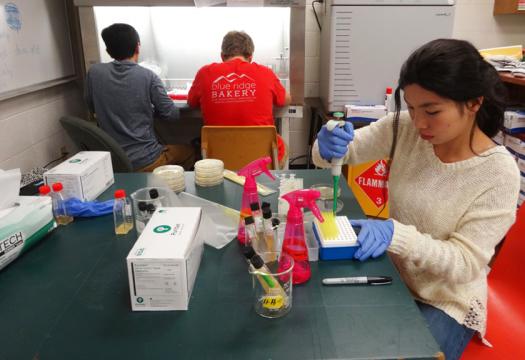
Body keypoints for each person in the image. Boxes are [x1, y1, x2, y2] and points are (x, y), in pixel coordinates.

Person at [313, 39, 520, 360]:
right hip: (392, 276)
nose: (419, 121)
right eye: (411, 107)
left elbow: (464, 265)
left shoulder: (498, 174)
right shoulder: (406, 128)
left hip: (446, 299)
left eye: (432, 111)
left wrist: (396, 235)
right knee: (330, 336)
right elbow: (348, 151)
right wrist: (327, 144)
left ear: (474, 103)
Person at [85, 23, 195, 171]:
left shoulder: (94, 73)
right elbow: (172, 114)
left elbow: (90, 105)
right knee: (190, 152)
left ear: (108, 51)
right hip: (146, 161)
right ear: (137, 47)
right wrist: (148, 108)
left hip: (112, 163)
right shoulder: (148, 76)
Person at [187, 31, 291, 168]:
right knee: (281, 143)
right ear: (250, 56)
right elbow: (285, 100)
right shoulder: (265, 73)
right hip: (262, 159)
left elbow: (191, 102)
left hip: (218, 160)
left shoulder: (204, 73)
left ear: (222, 56)